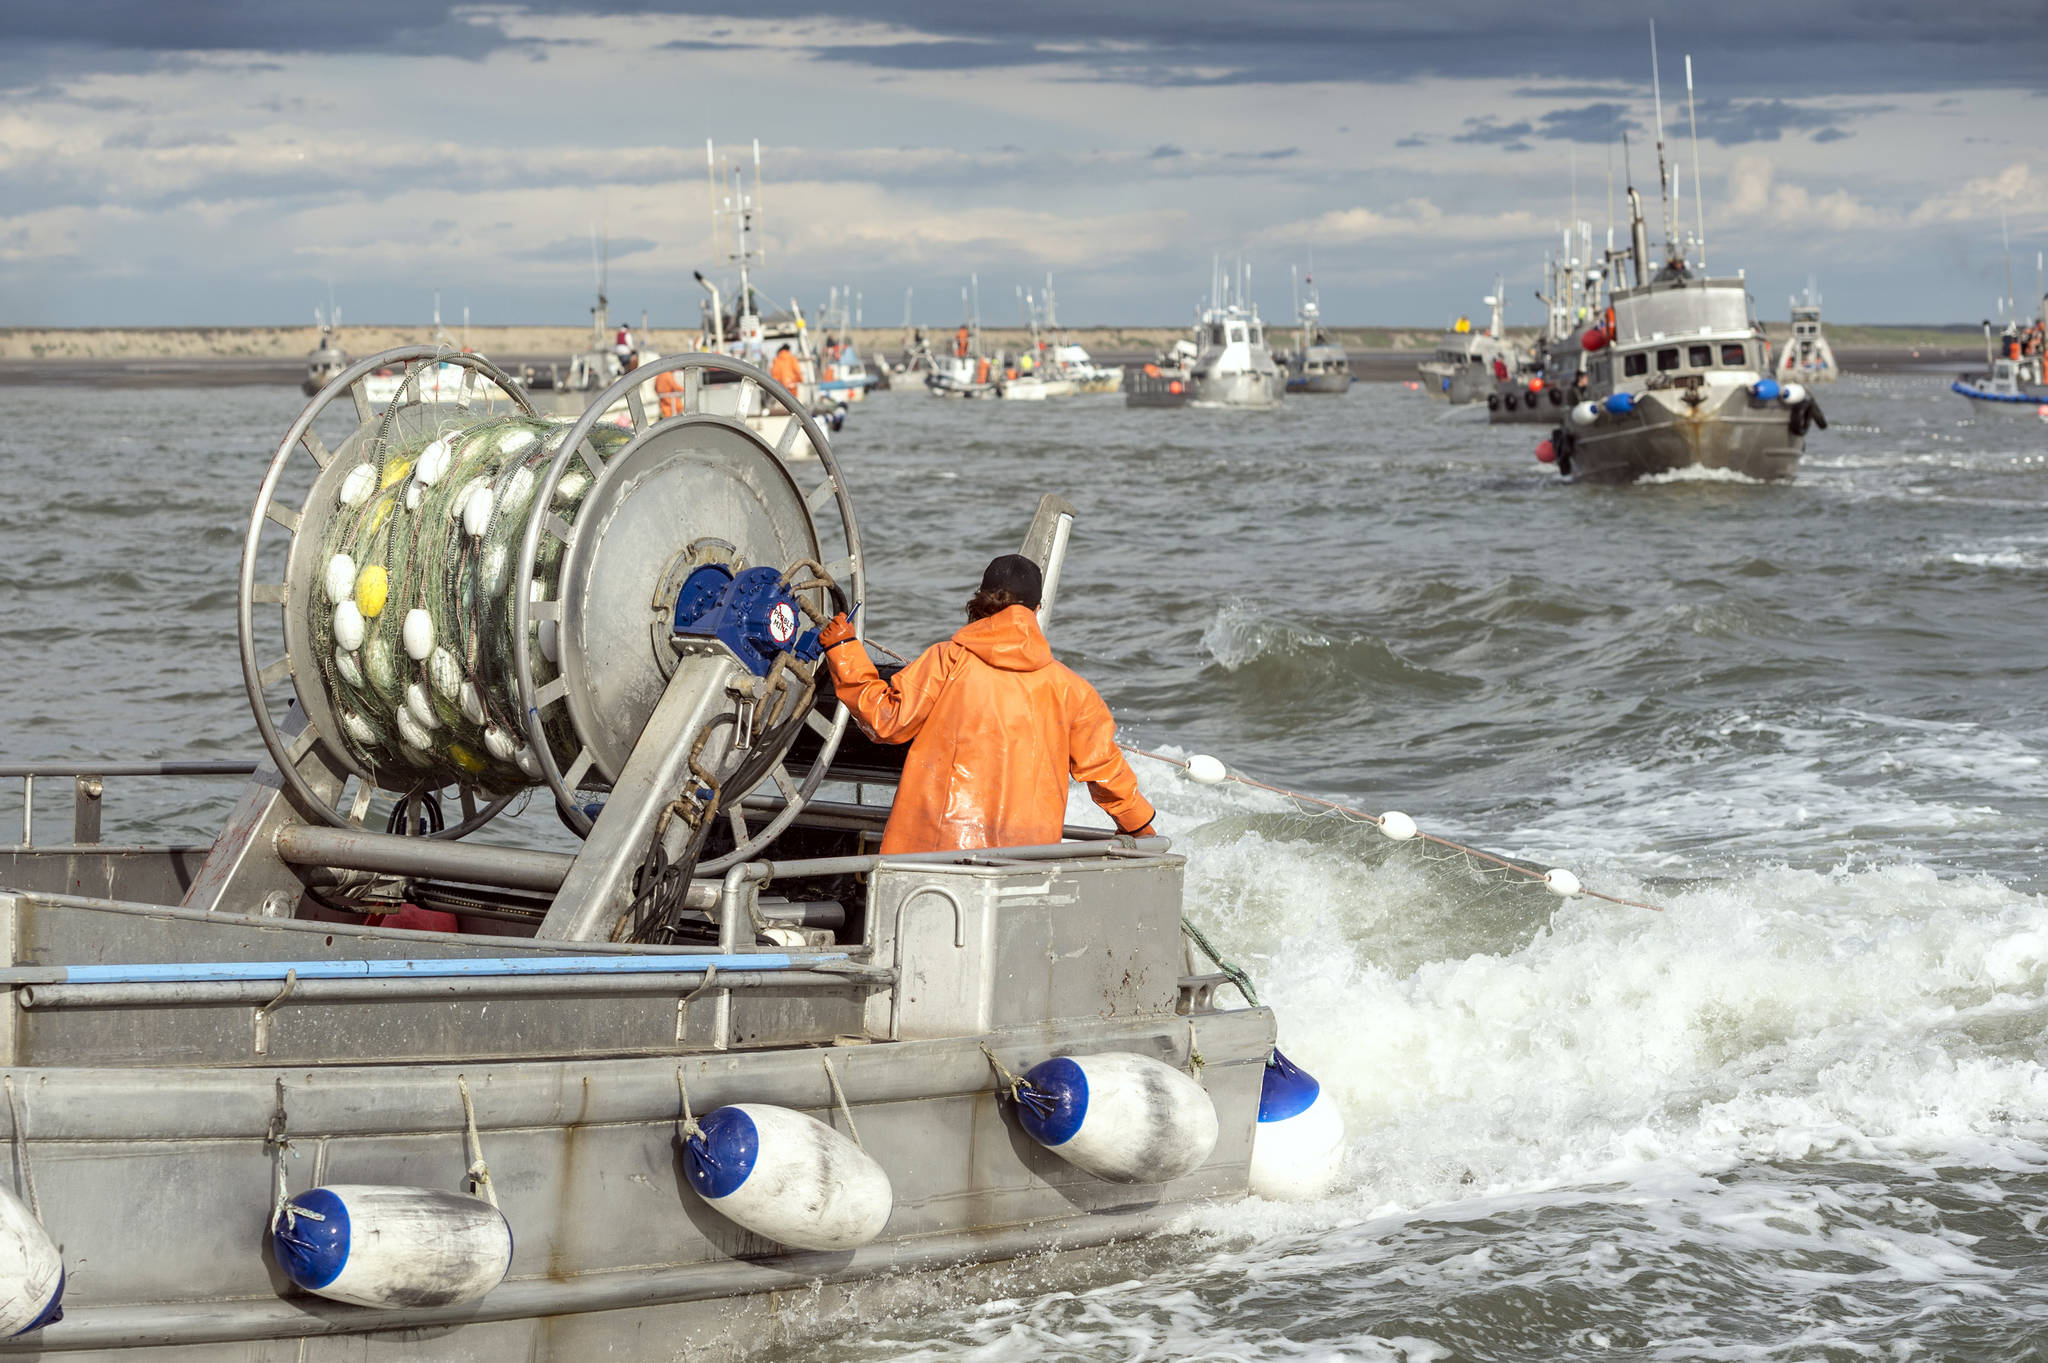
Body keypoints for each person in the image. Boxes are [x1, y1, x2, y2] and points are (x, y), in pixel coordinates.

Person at [816, 555, 1155, 855]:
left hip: (934, 852)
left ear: (979, 603)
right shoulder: (1072, 689)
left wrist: (844, 650)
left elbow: (885, 721)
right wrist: (1140, 828)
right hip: (1026, 859)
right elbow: (1106, 770)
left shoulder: (945, 660)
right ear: (1037, 610)